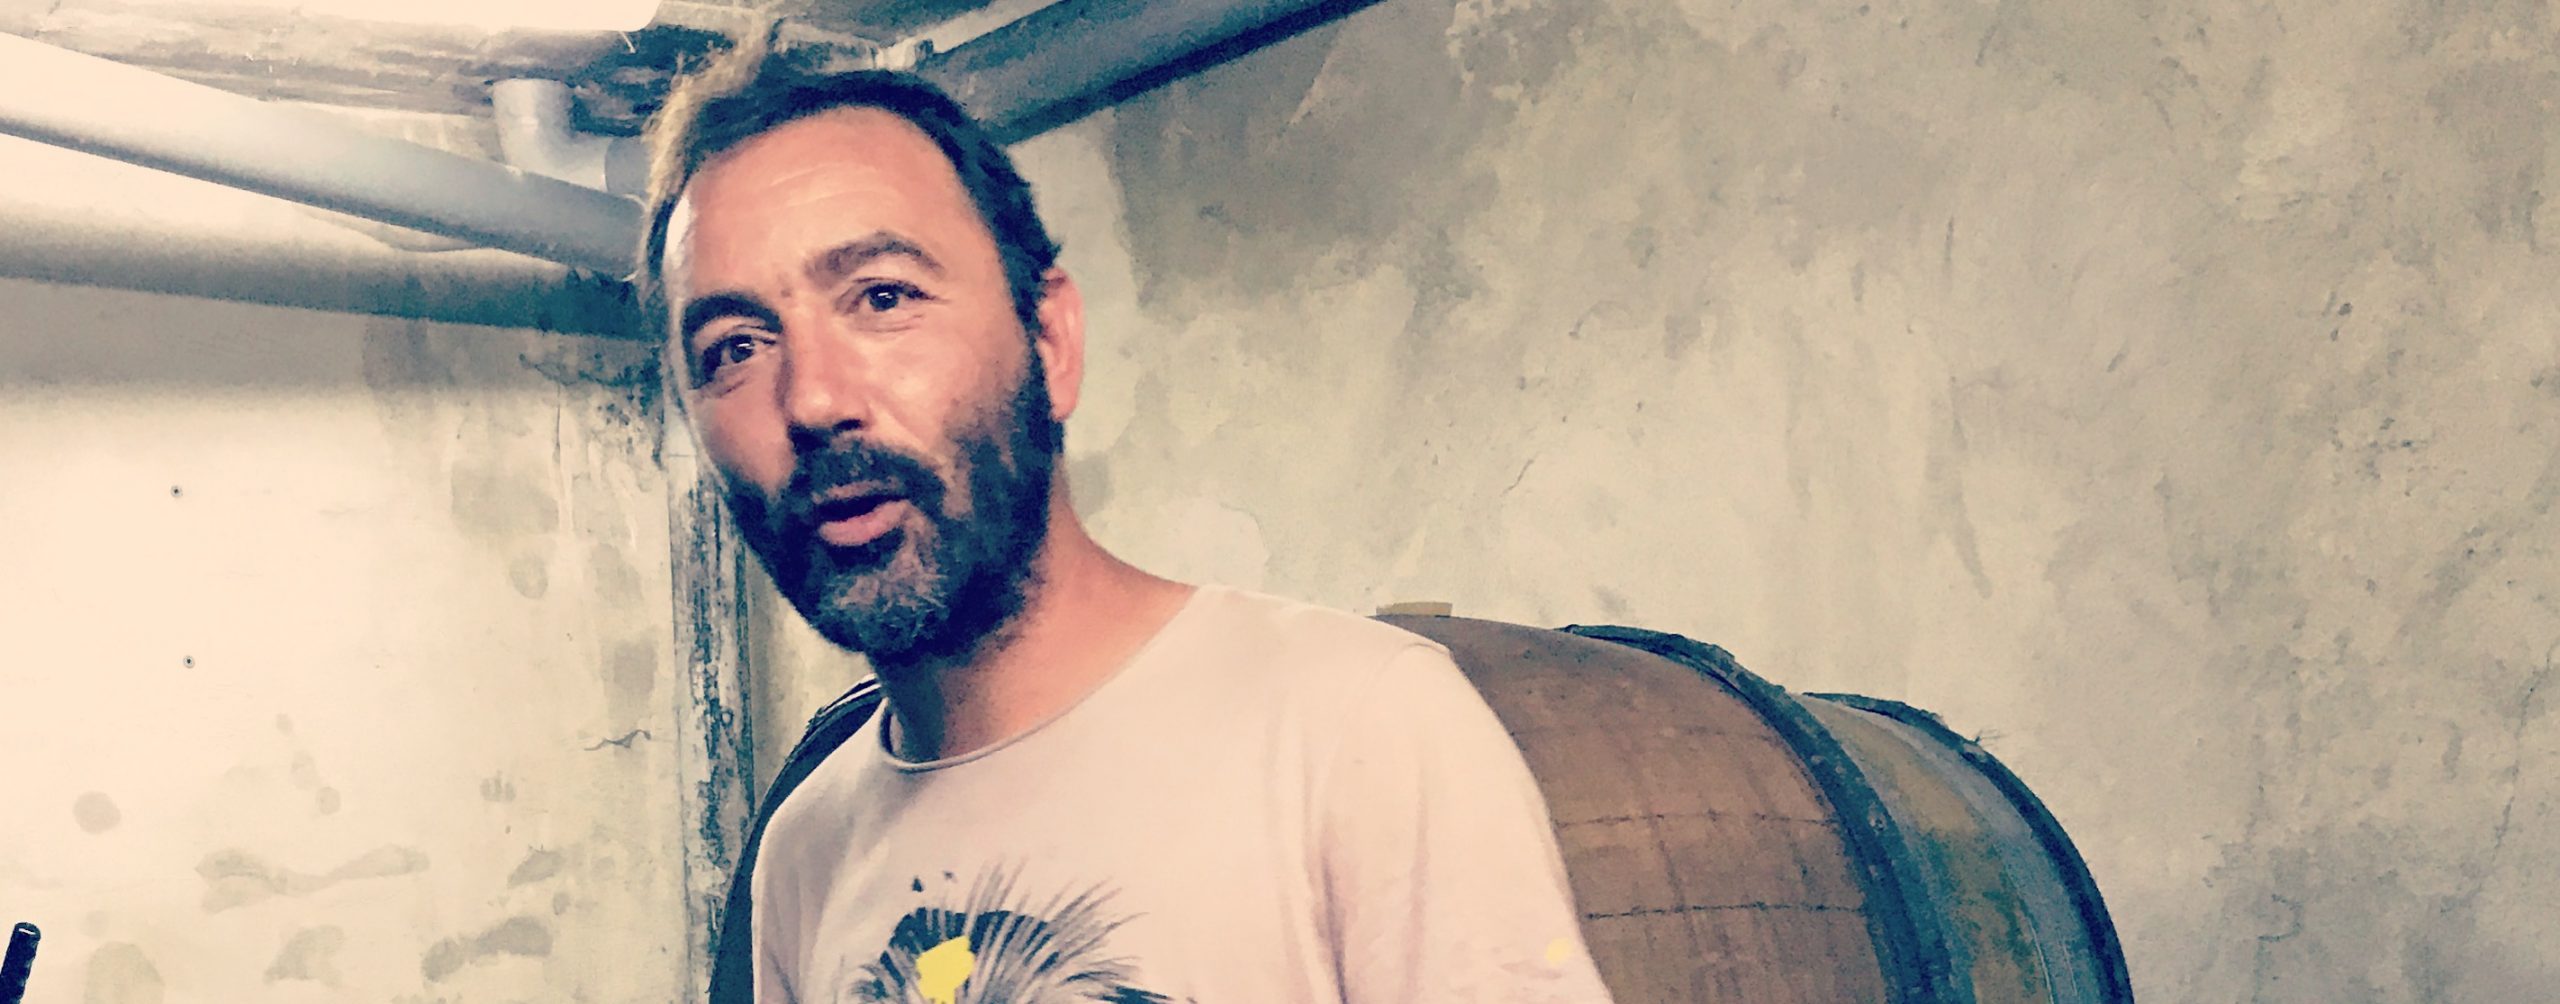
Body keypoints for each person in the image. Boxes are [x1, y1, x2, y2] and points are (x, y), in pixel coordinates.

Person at [637, 45, 1614, 1004]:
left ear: (1050, 339)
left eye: (883, 297)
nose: (812, 400)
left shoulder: (1365, 730)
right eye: (734, 348)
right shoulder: (804, 852)